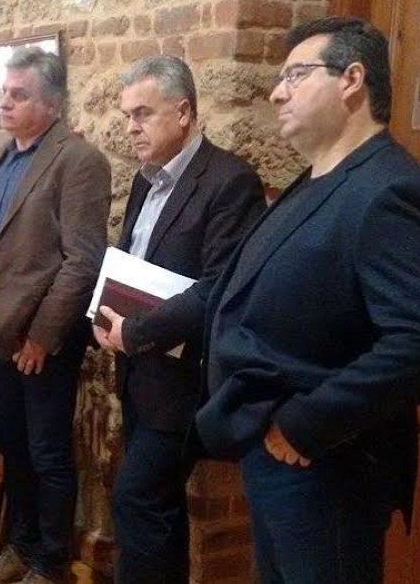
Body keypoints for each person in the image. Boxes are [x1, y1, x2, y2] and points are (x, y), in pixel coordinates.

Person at [193, 16, 420, 583]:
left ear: (352, 80)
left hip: (325, 463)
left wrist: (307, 423)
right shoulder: (319, 178)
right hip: (277, 454)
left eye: (296, 75)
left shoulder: (390, 190)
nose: (277, 92)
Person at [92, 56, 265, 584]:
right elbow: (132, 264)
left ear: (184, 111)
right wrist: (101, 313)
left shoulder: (230, 181)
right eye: (128, 115)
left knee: (138, 499)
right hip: (141, 372)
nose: (131, 127)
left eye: (143, 113)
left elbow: (220, 288)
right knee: (156, 507)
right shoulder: (145, 182)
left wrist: (136, 331)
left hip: (186, 380)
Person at [0, 49, 111, 584]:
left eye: (18, 94)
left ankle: (51, 563)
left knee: (47, 454)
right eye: (3, 92)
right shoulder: (9, 153)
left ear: (52, 103)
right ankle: (22, 548)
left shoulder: (79, 160)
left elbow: (82, 260)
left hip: (41, 342)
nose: (3, 102)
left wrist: (44, 336)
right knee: (16, 449)